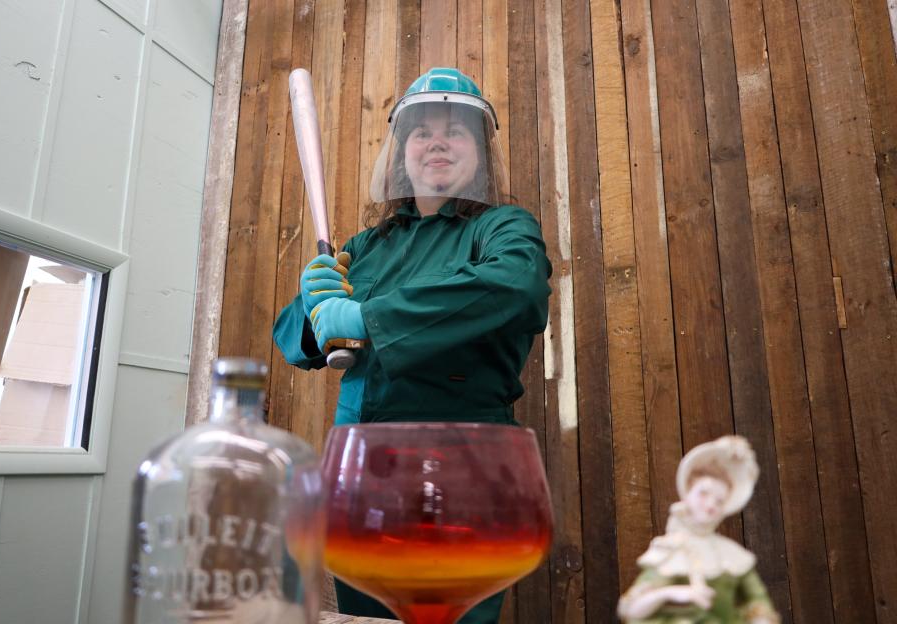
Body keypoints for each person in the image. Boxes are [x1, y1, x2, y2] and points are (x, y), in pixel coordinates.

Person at [273, 67, 552, 624]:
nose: (438, 142)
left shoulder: (503, 229)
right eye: (423, 132)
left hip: (465, 469)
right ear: (403, 152)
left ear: (480, 152)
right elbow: (295, 342)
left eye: (457, 131)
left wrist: (368, 316)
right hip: (363, 471)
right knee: (368, 618)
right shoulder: (364, 246)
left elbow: (516, 288)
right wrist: (314, 306)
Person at [617, 436, 780, 624]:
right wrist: (674, 593)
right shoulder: (670, 549)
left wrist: (761, 618)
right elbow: (633, 610)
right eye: (703, 493)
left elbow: (757, 599)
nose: (711, 505)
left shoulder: (732, 554)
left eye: (719, 500)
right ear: (687, 493)